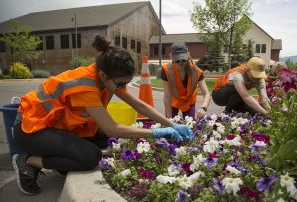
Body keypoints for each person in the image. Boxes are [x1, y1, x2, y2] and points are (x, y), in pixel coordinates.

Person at [11, 34, 192, 195]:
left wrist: (171, 124)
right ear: (104, 75)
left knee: (106, 139)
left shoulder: (105, 75)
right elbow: (112, 128)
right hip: (31, 130)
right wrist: (156, 132)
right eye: (121, 84)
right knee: (90, 157)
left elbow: (139, 105)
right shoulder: (85, 85)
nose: (122, 88)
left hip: (56, 127)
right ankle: (28, 161)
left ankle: (60, 160)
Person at [161, 42, 211, 119]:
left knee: (189, 126)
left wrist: (203, 108)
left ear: (188, 55)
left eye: (183, 59)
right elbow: (167, 97)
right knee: (170, 125)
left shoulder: (196, 71)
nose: (180, 61)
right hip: (173, 100)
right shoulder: (166, 70)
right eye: (177, 59)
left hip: (189, 101)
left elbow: (206, 93)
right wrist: (169, 120)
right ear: (171, 57)